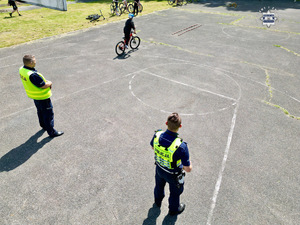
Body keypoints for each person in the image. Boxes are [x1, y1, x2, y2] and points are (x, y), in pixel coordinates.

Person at [150, 113, 192, 216]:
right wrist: (190, 163)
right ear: (180, 126)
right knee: (175, 193)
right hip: (173, 174)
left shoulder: (157, 135)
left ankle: (157, 202)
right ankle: (173, 210)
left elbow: (153, 147)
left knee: (159, 186)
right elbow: (188, 169)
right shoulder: (181, 146)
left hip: (159, 169)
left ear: (166, 123)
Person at [19, 55, 64, 138]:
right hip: (42, 97)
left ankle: (43, 125)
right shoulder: (32, 75)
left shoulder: (22, 69)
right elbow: (43, 85)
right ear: (31, 62)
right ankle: (52, 132)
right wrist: (50, 82)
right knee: (48, 114)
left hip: (34, 96)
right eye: (35, 60)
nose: (36, 62)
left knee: (40, 111)